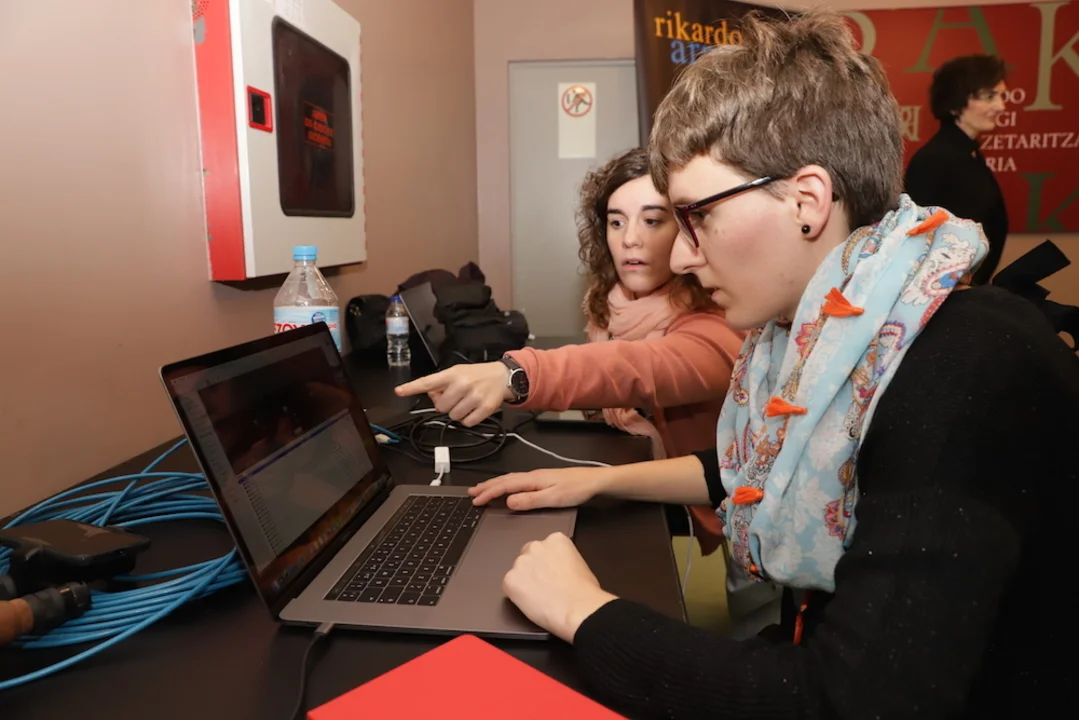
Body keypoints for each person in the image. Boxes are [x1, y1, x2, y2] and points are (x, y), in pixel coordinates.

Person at [464, 10, 1075, 719]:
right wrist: (596, 481)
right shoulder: (830, 336)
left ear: (806, 201)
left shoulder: (967, 366)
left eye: (697, 216)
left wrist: (585, 612)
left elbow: (849, 702)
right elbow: (752, 470)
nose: (681, 255)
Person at [396, 147, 745, 557]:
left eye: (652, 220)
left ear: (687, 230)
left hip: (728, 513)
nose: (630, 238)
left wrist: (514, 375)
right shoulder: (615, 300)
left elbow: (637, 368)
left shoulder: (722, 318)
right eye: (616, 221)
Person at [904, 54, 1009, 285]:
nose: (1000, 106)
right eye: (989, 96)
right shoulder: (934, 159)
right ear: (955, 103)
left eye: (1002, 96)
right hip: (940, 294)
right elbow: (914, 239)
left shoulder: (970, 153)